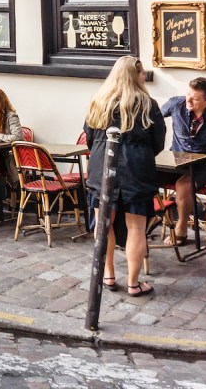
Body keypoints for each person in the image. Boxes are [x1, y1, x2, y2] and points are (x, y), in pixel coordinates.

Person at [84, 56, 165, 298]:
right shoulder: (147, 104)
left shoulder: (99, 102)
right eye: (141, 73)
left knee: (103, 225)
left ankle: (107, 275)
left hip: (101, 167)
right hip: (136, 169)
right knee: (136, 228)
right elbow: (158, 141)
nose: (144, 77)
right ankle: (133, 282)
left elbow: (88, 137)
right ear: (133, 76)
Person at [161, 77, 206, 245]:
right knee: (142, 174)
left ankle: (181, 229)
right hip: (176, 161)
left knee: (183, 186)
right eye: (188, 95)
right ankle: (143, 221)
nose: (189, 100)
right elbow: (152, 119)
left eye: (195, 98)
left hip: (204, 166)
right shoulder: (176, 104)